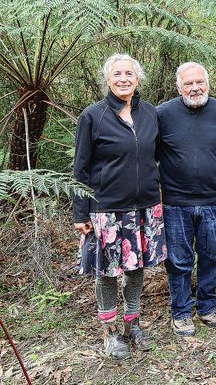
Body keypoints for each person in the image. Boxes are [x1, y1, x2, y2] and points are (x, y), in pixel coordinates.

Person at [72, 54, 165, 359]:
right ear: (108, 79)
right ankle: (110, 332)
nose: (124, 79)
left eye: (129, 73)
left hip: (145, 206)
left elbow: (158, 156)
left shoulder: (150, 113)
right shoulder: (93, 116)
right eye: (117, 74)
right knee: (108, 271)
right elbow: (81, 168)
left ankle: (133, 324)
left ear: (138, 79)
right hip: (107, 209)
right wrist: (80, 212)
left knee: (137, 268)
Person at [157, 62, 216, 336]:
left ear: (208, 84)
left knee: (211, 256)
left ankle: (207, 308)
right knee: (178, 261)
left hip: (213, 202)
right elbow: (146, 155)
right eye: (188, 83)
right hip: (175, 203)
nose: (195, 88)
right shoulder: (162, 114)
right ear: (179, 87)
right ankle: (180, 312)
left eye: (199, 82)